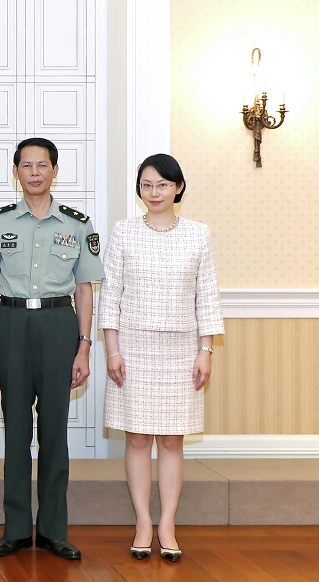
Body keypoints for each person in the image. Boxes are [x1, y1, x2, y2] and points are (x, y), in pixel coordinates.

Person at [0, 137, 102, 561]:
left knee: (54, 433)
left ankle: (52, 529)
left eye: (42, 164)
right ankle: (15, 529)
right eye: (26, 165)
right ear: (16, 173)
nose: (34, 172)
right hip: (10, 324)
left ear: (54, 170)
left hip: (57, 325)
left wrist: (84, 347)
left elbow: (84, 290)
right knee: (16, 433)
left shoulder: (76, 224)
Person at [100, 153, 223, 563]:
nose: (155, 193)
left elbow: (206, 296)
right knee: (136, 438)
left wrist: (205, 351)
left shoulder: (198, 234)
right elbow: (111, 295)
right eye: (147, 185)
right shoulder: (123, 233)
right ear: (140, 190)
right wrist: (112, 350)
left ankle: (167, 523)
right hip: (131, 349)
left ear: (178, 188)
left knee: (172, 439)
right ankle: (142, 522)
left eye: (163, 185)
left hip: (182, 350)